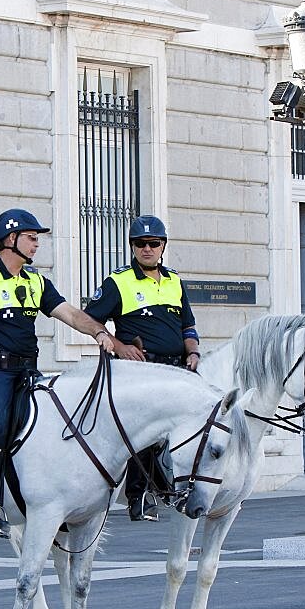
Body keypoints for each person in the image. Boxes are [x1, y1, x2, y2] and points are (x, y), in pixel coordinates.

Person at [0, 208, 114, 537]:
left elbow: (69, 313)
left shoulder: (36, 281)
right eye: (31, 238)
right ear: (10, 239)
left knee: (56, 424)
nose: (36, 244)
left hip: (28, 370)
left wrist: (99, 332)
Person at [84, 215, 200, 521]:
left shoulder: (174, 281)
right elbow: (90, 319)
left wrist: (194, 352)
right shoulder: (118, 282)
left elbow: (188, 326)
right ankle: (139, 496)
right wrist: (117, 345)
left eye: (153, 243)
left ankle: (178, 487)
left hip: (176, 368)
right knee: (145, 433)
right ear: (132, 246)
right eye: (140, 243)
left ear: (163, 246)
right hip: (141, 370)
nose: (147, 249)